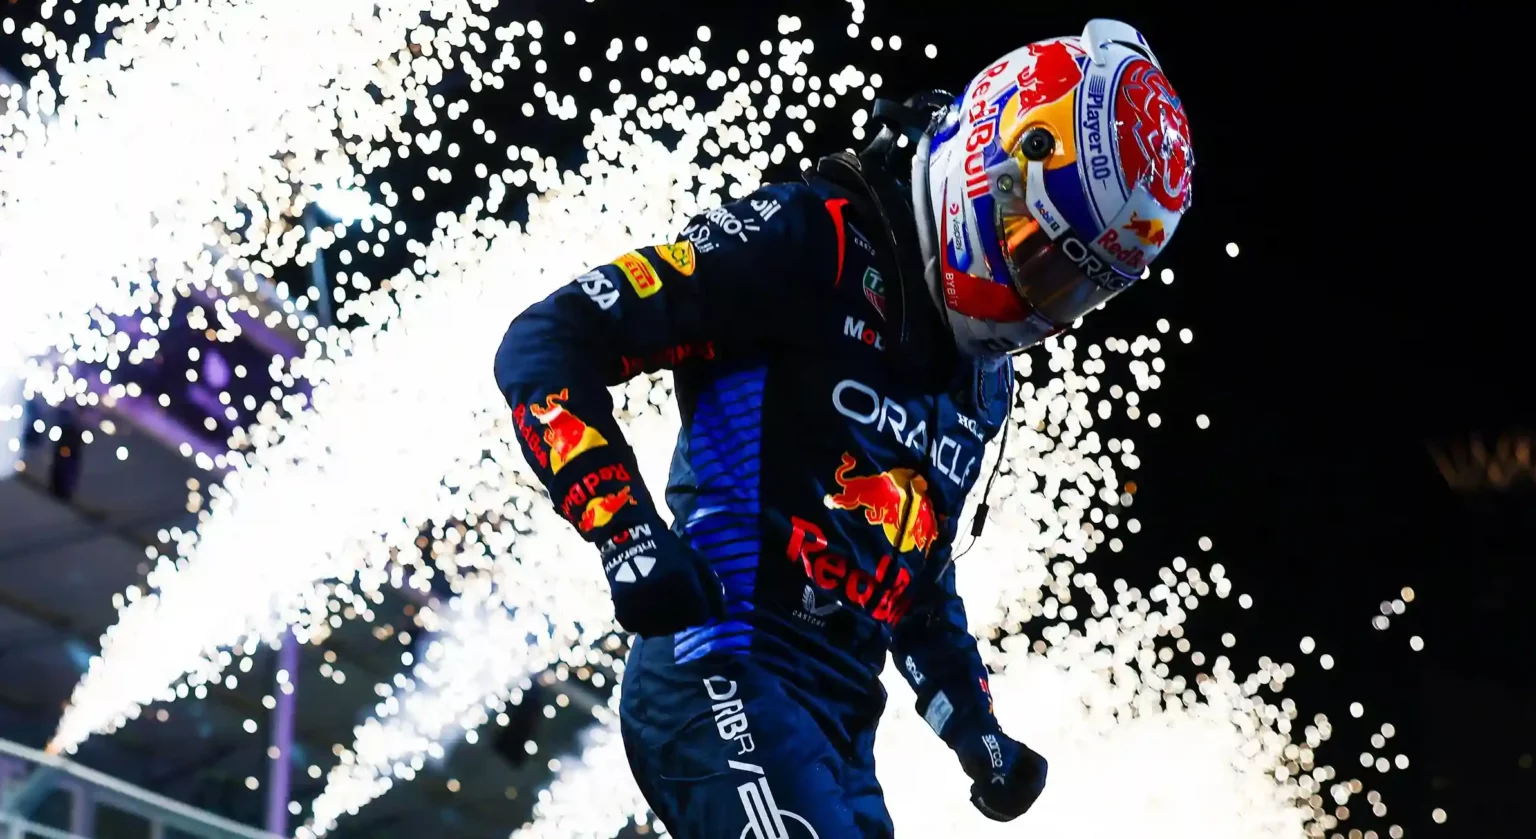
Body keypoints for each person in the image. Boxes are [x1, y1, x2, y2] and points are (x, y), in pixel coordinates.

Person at [495, 18, 1194, 838]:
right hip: (721, 665)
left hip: (837, 736)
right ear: (992, 154)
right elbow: (549, 342)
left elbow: (916, 580)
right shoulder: (808, 237)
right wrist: (624, 529)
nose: (1041, 305)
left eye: (1078, 288)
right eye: (1040, 251)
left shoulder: (984, 384)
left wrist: (979, 732)